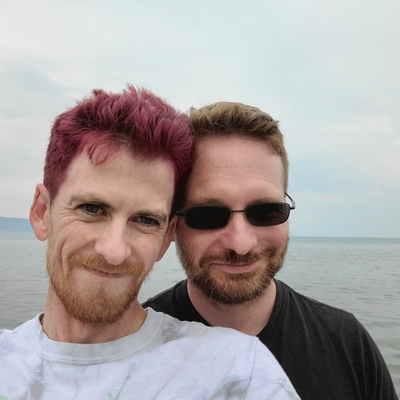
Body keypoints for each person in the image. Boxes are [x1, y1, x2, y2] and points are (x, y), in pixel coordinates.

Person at [0, 88, 300, 399]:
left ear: (167, 237)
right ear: (41, 212)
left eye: (145, 220)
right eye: (91, 208)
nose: (114, 251)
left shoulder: (237, 372)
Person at [143, 101, 399, 400]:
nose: (241, 244)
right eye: (208, 215)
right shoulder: (130, 350)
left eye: (265, 211)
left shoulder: (346, 342)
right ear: (172, 226)